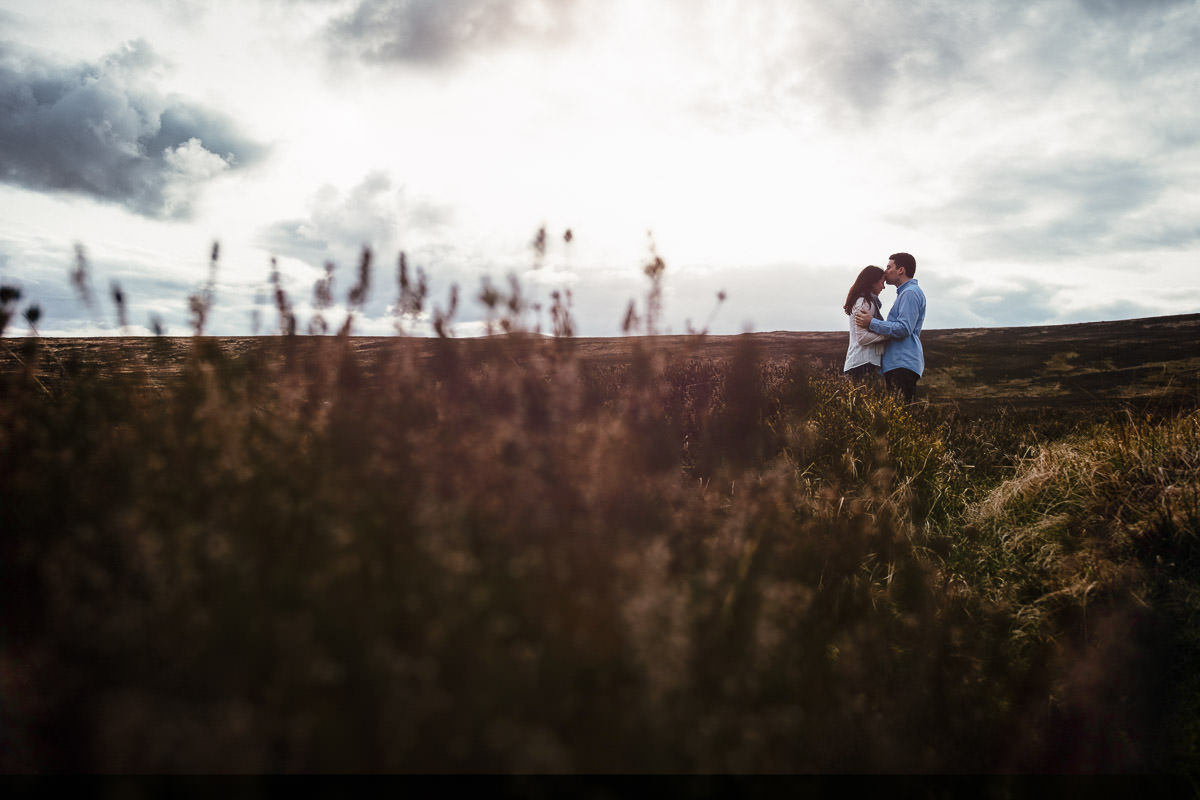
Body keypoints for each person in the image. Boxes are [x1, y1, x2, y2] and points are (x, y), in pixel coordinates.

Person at [854, 252, 925, 401]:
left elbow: (904, 328)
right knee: (898, 412)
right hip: (898, 363)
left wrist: (871, 322)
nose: (885, 271)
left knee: (902, 413)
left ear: (901, 270)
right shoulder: (905, 294)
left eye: (889, 267)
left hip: (902, 363)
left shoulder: (910, 293)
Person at [842, 265, 889, 382]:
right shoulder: (863, 302)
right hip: (862, 364)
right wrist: (888, 334)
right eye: (881, 282)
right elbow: (862, 338)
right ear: (872, 282)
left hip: (863, 363)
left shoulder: (868, 302)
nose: (883, 287)